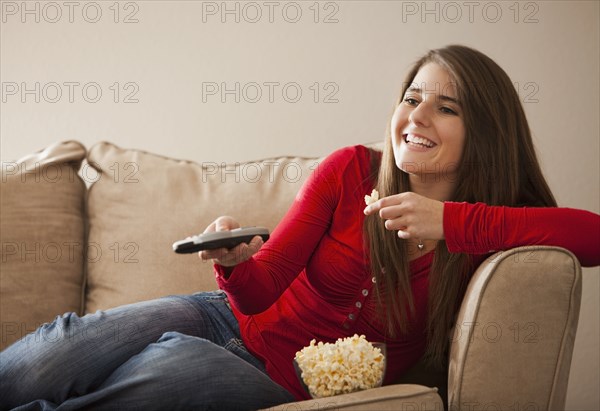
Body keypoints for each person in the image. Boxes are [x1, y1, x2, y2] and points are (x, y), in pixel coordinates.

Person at [1, 45, 599, 410]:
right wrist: (235, 266)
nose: (415, 117)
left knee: (169, 369)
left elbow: (593, 237)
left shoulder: (488, 229)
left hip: (278, 379)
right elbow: (265, 286)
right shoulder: (348, 172)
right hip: (227, 315)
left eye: (446, 107)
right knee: (66, 346)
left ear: (487, 130)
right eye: (411, 98)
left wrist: (452, 222)